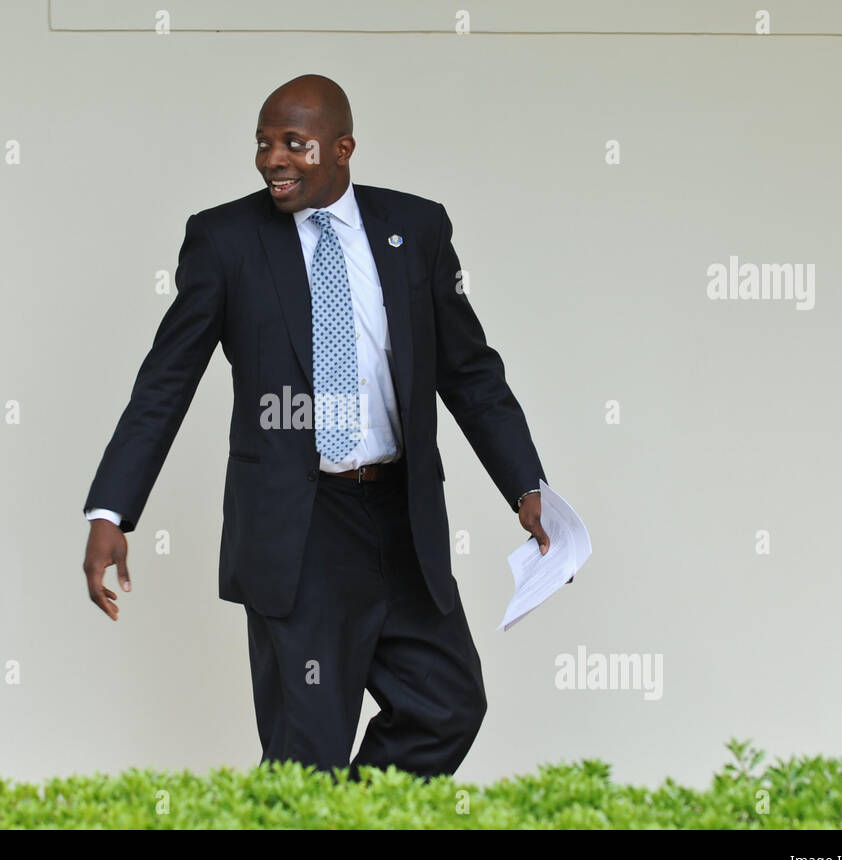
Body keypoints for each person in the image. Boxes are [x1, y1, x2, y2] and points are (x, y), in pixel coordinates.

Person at [82, 74, 552, 780]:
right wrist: (112, 508)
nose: (274, 158)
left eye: (294, 144)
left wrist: (526, 485)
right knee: (306, 758)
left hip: (400, 517)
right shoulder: (225, 240)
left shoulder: (416, 230)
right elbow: (165, 382)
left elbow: (470, 372)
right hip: (299, 529)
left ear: (342, 148)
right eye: (264, 144)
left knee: (447, 705)